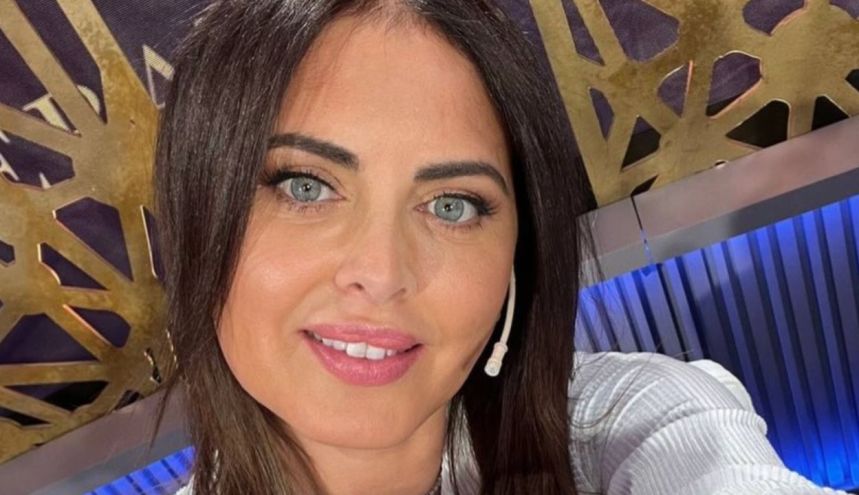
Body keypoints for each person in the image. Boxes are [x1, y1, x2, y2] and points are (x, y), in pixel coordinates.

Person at [153, 1, 850, 494]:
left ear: (515, 262)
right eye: (305, 187)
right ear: (198, 216)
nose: (381, 272)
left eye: (452, 206)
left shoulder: (625, 427)